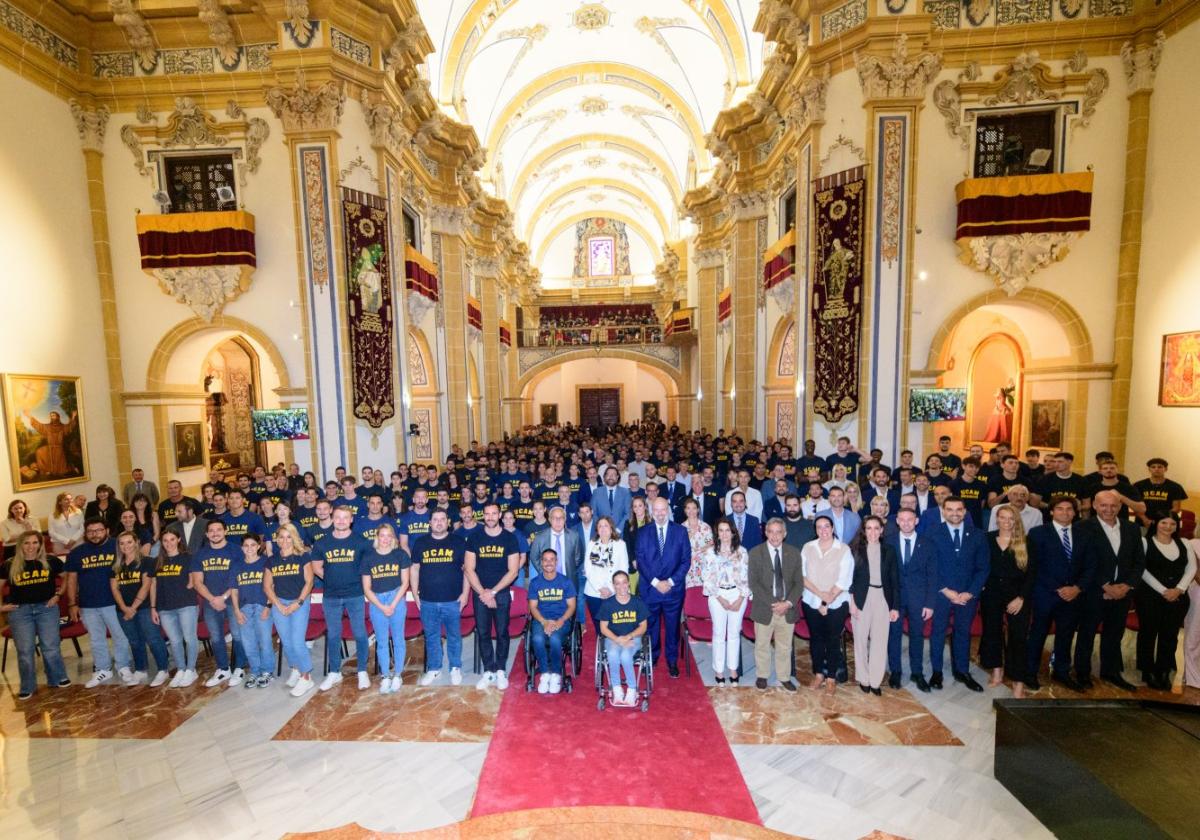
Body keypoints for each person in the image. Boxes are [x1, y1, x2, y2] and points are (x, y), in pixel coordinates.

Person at [1074, 490, 1146, 691]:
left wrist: (1126, 586)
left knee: (1114, 634)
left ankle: (1111, 672)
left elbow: (1139, 562)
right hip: (1095, 592)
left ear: (1120, 507)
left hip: (1122, 593)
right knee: (1087, 633)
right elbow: (1082, 562)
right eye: (1103, 505)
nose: (1109, 509)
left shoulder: (1132, 529)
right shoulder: (1082, 527)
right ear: (1095, 506)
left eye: (1113, 505)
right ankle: (1082, 673)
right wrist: (1105, 585)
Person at [1024, 498, 1093, 691]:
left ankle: (1061, 672)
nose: (1065, 512)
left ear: (1075, 512)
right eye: (1060, 509)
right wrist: (1056, 588)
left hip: (1073, 595)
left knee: (1066, 634)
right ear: (1052, 512)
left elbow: (1090, 566)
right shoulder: (1038, 533)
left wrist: (1077, 588)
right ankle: (1030, 672)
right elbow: (1033, 566)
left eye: (1069, 509)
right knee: (1038, 634)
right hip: (1045, 594)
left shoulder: (1084, 534)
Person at [928, 497, 991, 691]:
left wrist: (970, 592)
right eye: (950, 509)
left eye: (958, 509)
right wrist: (946, 590)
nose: (954, 513)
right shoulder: (932, 533)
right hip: (942, 593)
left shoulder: (979, 535)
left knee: (963, 632)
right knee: (938, 633)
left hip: (967, 595)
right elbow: (930, 566)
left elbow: (983, 568)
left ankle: (962, 671)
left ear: (965, 512)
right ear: (943, 511)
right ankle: (936, 672)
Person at [0, 531, 70, 699]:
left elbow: (67, 577)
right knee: (25, 650)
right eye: (26, 543)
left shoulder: (51, 561)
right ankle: (27, 686)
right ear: (20, 545)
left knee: (51, 647)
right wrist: (1, 607)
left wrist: (58, 595)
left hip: (46, 608)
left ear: (40, 544)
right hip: (20, 612)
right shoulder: (9, 565)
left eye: (34, 543)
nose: (31, 547)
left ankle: (57, 677)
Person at [65, 518, 134, 687]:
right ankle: (103, 669)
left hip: (114, 602)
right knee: (96, 639)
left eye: (99, 530)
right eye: (91, 531)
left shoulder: (117, 547)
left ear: (107, 530)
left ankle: (123, 666)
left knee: (120, 636)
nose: (95, 534)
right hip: (88, 604)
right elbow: (72, 580)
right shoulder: (76, 553)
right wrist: (72, 604)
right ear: (85, 533)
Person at [979, 505, 1036, 698]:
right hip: (992, 594)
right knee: (992, 632)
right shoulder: (987, 539)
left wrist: (1021, 598)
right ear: (997, 519)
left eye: (1011, 518)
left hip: (1017, 596)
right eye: (1002, 517)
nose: (1006, 521)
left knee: (1018, 638)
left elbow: (1031, 575)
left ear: (1016, 520)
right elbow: (980, 565)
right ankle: (997, 671)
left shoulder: (1026, 542)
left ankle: (1018, 681)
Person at [313, 507, 371, 691]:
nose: (341, 520)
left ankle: (362, 670)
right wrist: (330, 580)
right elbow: (316, 567)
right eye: (337, 517)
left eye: (345, 518)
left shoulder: (361, 542)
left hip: (355, 594)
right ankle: (334, 672)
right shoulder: (322, 543)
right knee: (333, 635)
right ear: (332, 518)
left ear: (351, 520)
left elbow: (368, 567)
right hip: (331, 596)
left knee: (360, 634)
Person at [1135, 513, 1195, 690]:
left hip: (1178, 597)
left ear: (1177, 526)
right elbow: (1142, 570)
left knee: (1169, 635)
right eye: (1164, 522)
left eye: (1172, 523)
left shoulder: (1184, 543)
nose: (1168, 527)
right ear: (1156, 523)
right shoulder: (1145, 542)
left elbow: (1191, 568)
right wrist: (1163, 591)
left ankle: (1163, 670)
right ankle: (1147, 671)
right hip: (1150, 597)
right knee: (1148, 633)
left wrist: (1179, 589)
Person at [465, 503, 520, 690]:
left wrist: (493, 592)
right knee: (483, 632)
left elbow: (513, 572)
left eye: (493, 513)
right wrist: (483, 592)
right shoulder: (475, 538)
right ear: (483, 516)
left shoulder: (510, 539)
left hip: (501, 593)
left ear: (500, 515)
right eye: (487, 514)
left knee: (503, 632)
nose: (490, 517)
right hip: (480, 594)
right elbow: (469, 569)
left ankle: (501, 669)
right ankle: (488, 670)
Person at [411, 509, 469, 686]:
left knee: (454, 635)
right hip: (427, 599)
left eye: (442, 519)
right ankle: (434, 668)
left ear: (448, 522)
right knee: (431, 636)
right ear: (429, 523)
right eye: (435, 519)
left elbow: (467, 569)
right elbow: (414, 569)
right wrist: (415, 594)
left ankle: (455, 667)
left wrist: (465, 594)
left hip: (452, 599)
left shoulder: (458, 542)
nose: (438, 522)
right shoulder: (420, 542)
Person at [634, 498, 690, 677]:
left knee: (673, 628)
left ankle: (672, 661)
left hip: (673, 590)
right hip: (651, 589)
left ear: (668, 510)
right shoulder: (642, 532)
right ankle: (653, 656)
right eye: (656, 510)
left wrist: (671, 582)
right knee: (652, 626)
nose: (660, 513)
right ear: (652, 511)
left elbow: (685, 560)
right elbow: (640, 561)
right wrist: (657, 583)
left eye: (663, 509)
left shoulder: (681, 531)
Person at [190, 518, 247, 687]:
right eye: (212, 530)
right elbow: (197, 581)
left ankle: (239, 668)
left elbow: (239, 577)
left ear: (225, 531)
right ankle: (223, 669)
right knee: (216, 637)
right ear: (207, 534)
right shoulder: (200, 554)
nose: (215, 533)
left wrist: (222, 597)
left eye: (219, 529)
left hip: (233, 599)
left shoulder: (236, 551)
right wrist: (212, 599)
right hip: (210, 602)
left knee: (237, 635)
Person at [111, 530, 171, 686]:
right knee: (134, 641)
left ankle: (163, 670)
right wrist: (125, 608)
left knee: (153, 638)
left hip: (143, 607)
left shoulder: (147, 562)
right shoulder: (116, 565)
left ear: (136, 542)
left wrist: (133, 608)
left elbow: (146, 586)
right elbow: (115, 589)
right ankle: (140, 670)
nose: (126, 546)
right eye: (122, 543)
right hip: (123, 610)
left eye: (129, 542)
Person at [801, 515, 853, 692]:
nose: (823, 530)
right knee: (816, 638)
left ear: (832, 528)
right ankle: (818, 674)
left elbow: (844, 579)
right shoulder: (808, 547)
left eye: (826, 527)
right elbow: (802, 576)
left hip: (836, 602)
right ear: (815, 530)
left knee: (832, 639)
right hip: (811, 600)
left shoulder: (843, 549)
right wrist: (819, 595)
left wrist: (827, 599)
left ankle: (831, 677)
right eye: (819, 527)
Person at [887, 508, 937, 691]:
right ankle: (895, 672)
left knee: (917, 636)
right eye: (902, 519)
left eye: (910, 519)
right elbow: (885, 574)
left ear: (916, 521)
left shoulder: (928, 543)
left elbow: (933, 575)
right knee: (894, 636)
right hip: (895, 599)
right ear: (897, 521)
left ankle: (917, 673)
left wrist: (930, 603)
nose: (906, 523)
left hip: (919, 599)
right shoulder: (889, 542)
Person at [849, 516, 899, 695]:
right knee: (860, 640)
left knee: (880, 641)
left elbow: (895, 580)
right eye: (868, 528)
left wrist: (895, 607)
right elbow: (850, 578)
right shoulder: (854, 549)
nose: (872, 532)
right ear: (863, 531)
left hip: (883, 598)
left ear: (882, 530)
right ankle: (863, 678)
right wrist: (852, 602)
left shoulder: (890, 550)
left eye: (876, 528)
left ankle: (876, 680)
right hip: (861, 597)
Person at [264, 523, 316, 696]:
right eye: (281, 537)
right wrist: (278, 605)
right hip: (280, 603)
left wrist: (297, 603)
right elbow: (267, 587)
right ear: (276, 539)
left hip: (299, 602)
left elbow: (309, 582)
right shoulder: (272, 560)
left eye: (288, 537)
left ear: (293, 538)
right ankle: (295, 668)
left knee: (296, 641)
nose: (285, 541)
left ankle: (306, 677)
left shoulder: (303, 556)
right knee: (286, 642)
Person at [360, 523, 412, 694]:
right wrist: (382, 606)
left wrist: (393, 604)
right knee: (381, 642)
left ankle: (397, 674)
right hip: (377, 601)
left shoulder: (401, 555)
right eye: (382, 535)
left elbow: (405, 582)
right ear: (377, 537)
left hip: (396, 597)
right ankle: (385, 676)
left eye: (388, 535)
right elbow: (366, 588)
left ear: (393, 538)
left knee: (398, 639)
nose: (385, 539)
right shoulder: (368, 557)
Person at [701, 518, 751, 685]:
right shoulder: (710, 553)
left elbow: (747, 578)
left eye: (727, 530)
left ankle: (733, 668)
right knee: (719, 633)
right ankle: (719, 670)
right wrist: (720, 599)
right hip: (717, 596)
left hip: (738, 594)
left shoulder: (742, 552)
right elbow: (706, 578)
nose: (724, 534)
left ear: (733, 532)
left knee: (734, 633)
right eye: (721, 530)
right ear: (717, 534)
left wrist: (741, 598)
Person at [150, 528, 200, 688]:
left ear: (178, 540)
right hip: (165, 607)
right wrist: (153, 607)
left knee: (189, 638)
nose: (169, 543)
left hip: (186, 604)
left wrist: (191, 582)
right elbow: (153, 585)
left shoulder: (188, 558)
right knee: (174, 640)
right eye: (165, 541)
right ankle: (181, 669)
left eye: (172, 539)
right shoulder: (158, 561)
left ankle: (191, 670)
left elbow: (194, 579)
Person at [527, 548, 577, 694]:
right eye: (545, 560)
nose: (548, 563)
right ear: (541, 563)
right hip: (541, 620)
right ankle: (544, 673)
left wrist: (561, 620)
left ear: (556, 562)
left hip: (561, 620)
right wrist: (544, 622)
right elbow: (533, 607)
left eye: (551, 559)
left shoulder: (565, 582)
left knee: (555, 639)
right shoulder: (535, 583)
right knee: (536, 639)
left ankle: (555, 674)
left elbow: (572, 605)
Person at [229, 533, 273, 688]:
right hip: (244, 609)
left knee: (265, 641)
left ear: (259, 546)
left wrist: (268, 606)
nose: (249, 548)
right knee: (249, 643)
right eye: (246, 545)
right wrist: (236, 611)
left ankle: (267, 671)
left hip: (262, 606)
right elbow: (234, 590)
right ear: (242, 548)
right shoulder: (236, 566)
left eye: (253, 545)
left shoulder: (266, 563)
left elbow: (271, 587)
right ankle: (254, 671)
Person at [598, 570, 648, 705]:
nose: (622, 587)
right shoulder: (608, 604)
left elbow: (643, 627)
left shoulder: (637, 602)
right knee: (613, 653)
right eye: (618, 584)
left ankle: (632, 689)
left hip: (634, 638)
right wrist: (617, 639)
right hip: (612, 638)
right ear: (613, 586)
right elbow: (603, 628)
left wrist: (629, 636)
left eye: (624, 583)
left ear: (629, 584)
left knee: (626, 655)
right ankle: (617, 688)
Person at [582, 515, 629, 634]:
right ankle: (602, 649)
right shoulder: (592, 544)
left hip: (614, 591)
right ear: (597, 529)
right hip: (593, 592)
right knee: (599, 626)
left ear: (611, 528)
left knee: (614, 624)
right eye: (600, 526)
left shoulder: (620, 544)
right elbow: (587, 568)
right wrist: (599, 588)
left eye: (606, 526)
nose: (603, 528)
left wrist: (610, 588)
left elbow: (624, 569)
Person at [681, 497, 714, 587]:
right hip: (687, 568)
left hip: (703, 566)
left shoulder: (705, 527)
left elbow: (711, 545)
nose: (691, 511)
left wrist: (701, 549)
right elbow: (678, 550)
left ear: (698, 510)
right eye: (688, 508)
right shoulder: (680, 528)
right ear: (685, 510)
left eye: (694, 508)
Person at [591, 466, 632, 532]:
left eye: (613, 474)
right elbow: (593, 513)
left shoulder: (625, 492)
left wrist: (618, 529)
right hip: (601, 532)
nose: (610, 476)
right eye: (608, 474)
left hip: (621, 533)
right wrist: (601, 527)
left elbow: (628, 513)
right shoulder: (596, 492)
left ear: (617, 477)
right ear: (604, 477)